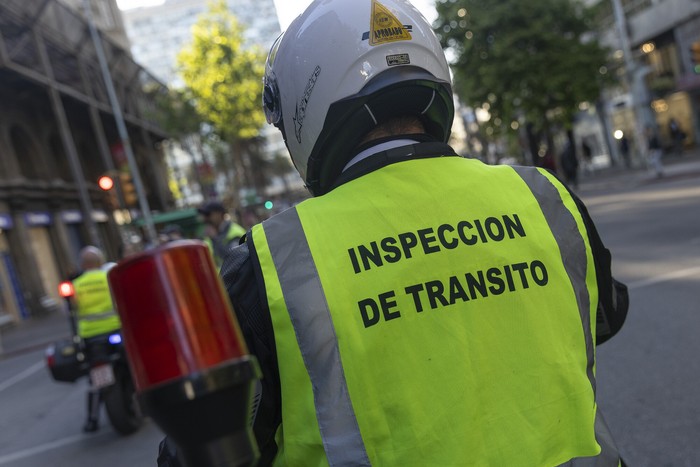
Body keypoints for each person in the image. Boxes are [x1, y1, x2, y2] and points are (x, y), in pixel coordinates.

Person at [159, 0, 629, 465]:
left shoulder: (274, 261)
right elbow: (606, 314)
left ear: (304, 104)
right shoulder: (542, 196)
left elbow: (208, 446)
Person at [72, 246, 121, 432]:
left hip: (91, 338)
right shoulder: (108, 277)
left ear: (83, 265)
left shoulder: (76, 284)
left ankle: (92, 419)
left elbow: (70, 310)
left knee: (97, 378)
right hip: (115, 331)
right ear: (100, 262)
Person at [197, 200, 246, 267]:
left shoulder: (234, 232)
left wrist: (215, 238)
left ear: (219, 214)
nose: (206, 218)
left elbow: (234, 258)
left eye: (208, 214)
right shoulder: (210, 235)